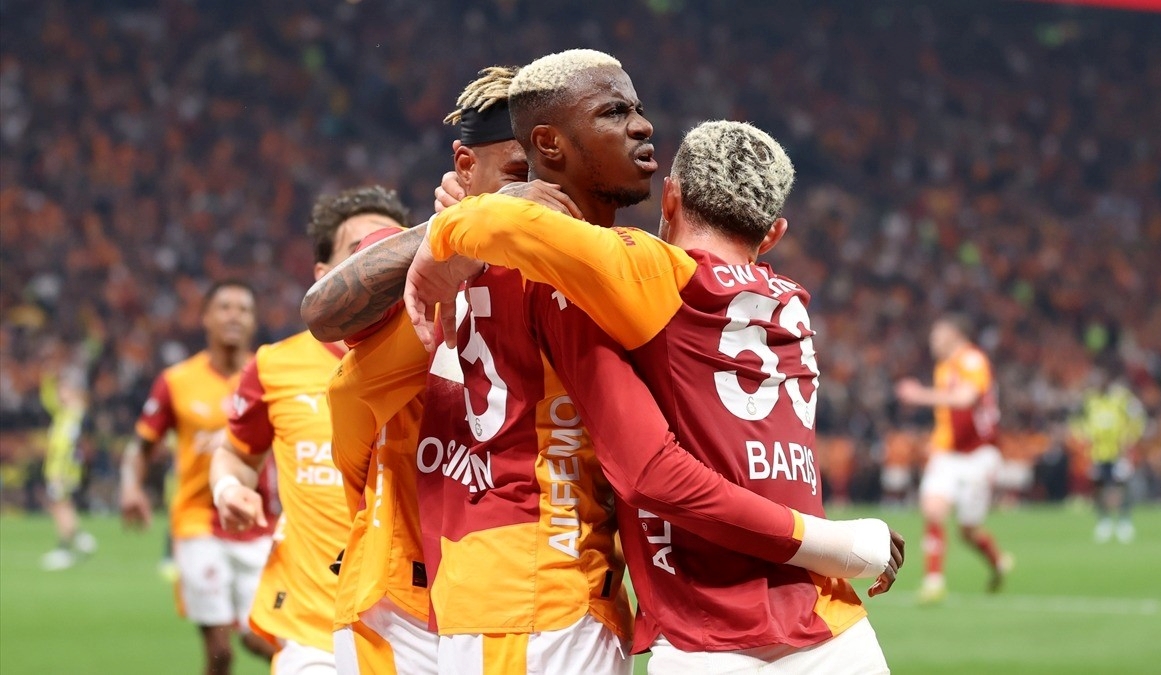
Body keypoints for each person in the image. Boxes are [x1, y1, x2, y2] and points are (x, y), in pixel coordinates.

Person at [309, 50, 898, 674]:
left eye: (636, 110)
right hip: (524, 591)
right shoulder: (520, 278)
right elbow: (340, 364)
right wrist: (453, 226)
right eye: (614, 113)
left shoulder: (615, 271)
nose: (642, 126)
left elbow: (347, 386)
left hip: (544, 591)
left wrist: (463, 221)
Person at [317, 67, 528, 675]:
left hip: (511, 594)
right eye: (518, 175)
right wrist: (450, 231)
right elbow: (328, 312)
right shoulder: (417, 277)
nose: (532, 193)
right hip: (400, 604)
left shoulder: (562, 269)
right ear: (465, 166)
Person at [206, 186, 411, 674]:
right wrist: (228, 489)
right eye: (360, 251)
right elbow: (235, 453)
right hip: (314, 625)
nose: (379, 264)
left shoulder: (450, 354)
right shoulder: (275, 366)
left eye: (393, 250)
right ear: (324, 277)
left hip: (420, 626)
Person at [120, 280, 278, 675]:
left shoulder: (273, 376)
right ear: (205, 317)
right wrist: (131, 487)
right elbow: (141, 447)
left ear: (254, 321)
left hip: (259, 523)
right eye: (225, 307)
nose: (234, 316)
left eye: (244, 309)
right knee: (220, 649)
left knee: (266, 640)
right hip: (198, 523)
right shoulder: (177, 380)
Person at [895, 314, 1012, 603]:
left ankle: (997, 560)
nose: (932, 340)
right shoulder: (943, 367)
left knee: (968, 530)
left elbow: (965, 399)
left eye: (937, 334)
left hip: (978, 454)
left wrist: (919, 395)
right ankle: (934, 582)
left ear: (954, 334)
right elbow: (949, 417)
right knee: (933, 509)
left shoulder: (971, 360)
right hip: (948, 454)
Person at [1071, 375, 1146, 543]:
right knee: (1099, 486)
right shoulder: (1090, 400)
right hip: (1097, 452)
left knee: (1121, 486)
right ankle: (1103, 521)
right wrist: (1082, 437)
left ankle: (1124, 521)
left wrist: (1130, 437)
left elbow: (1138, 417)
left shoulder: (1121, 399)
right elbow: (1076, 420)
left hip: (1119, 451)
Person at [38, 364, 97, 571]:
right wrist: (48, 379)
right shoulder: (63, 414)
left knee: (60, 505)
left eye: (62, 389)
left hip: (63, 470)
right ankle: (79, 539)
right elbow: (47, 399)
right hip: (58, 468)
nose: (58, 394)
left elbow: (70, 446)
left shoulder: (74, 415)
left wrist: (62, 473)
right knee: (62, 505)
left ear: (72, 391)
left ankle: (66, 547)